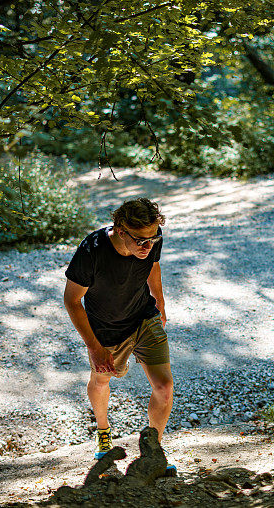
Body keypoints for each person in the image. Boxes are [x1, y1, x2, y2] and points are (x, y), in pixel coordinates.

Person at [63, 198, 173, 462]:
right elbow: (72, 300)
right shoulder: (93, 251)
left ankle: (153, 451)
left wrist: (159, 301)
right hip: (106, 329)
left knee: (164, 386)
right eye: (141, 241)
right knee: (101, 379)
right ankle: (103, 433)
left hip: (144, 316)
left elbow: (153, 266)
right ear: (121, 230)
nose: (148, 246)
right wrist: (94, 347)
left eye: (153, 239)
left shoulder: (151, 238)